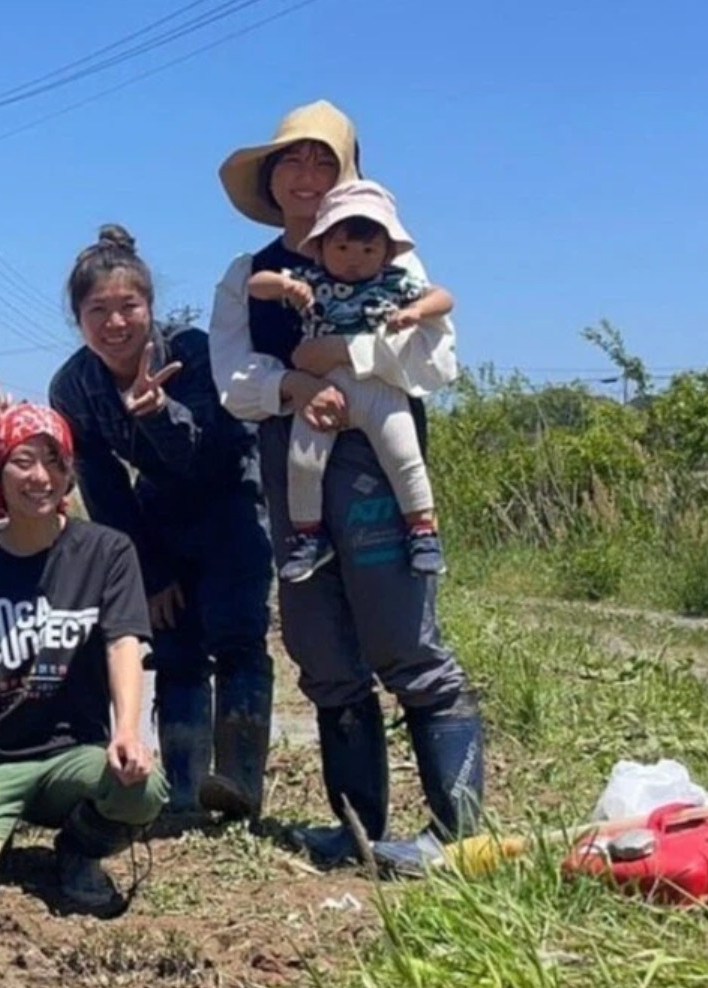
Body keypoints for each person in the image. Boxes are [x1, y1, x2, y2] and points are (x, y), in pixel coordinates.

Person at [208, 99, 485, 872]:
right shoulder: (248, 276)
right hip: (290, 465)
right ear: (270, 180)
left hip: (375, 472)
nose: (304, 175)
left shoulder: (397, 266)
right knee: (321, 649)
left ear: (346, 176)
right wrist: (294, 384)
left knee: (404, 642)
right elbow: (231, 377)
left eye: (321, 160)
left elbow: (436, 364)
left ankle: (456, 835)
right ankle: (357, 829)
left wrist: (347, 359)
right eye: (289, 161)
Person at [47, 224, 276, 823]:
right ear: (79, 319)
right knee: (173, 644)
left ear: (150, 307)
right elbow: (102, 487)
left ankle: (242, 785)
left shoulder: (194, 352)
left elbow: (215, 450)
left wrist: (158, 414)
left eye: (129, 307)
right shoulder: (73, 385)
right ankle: (182, 791)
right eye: (99, 311)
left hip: (231, 500)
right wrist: (146, 572)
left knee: (236, 636)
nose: (115, 324)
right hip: (158, 512)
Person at [0, 404, 167, 915]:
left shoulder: (106, 552)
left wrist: (128, 731)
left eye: (54, 460)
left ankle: (78, 849)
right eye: (22, 461)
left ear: (70, 472)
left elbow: (122, 643)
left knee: (142, 786)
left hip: (75, 755)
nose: (40, 477)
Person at [247, 179, 458, 581]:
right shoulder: (311, 280)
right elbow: (257, 286)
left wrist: (417, 312)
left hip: (379, 386)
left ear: (386, 253)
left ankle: (423, 531)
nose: (354, 259)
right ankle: (308, 537)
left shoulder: (394, 283)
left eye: (367, 250)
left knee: (404, 456)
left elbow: (444, 297)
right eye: (342, 248)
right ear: (321, 247)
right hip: (320, 390)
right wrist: (286, 285)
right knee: (303, 463)